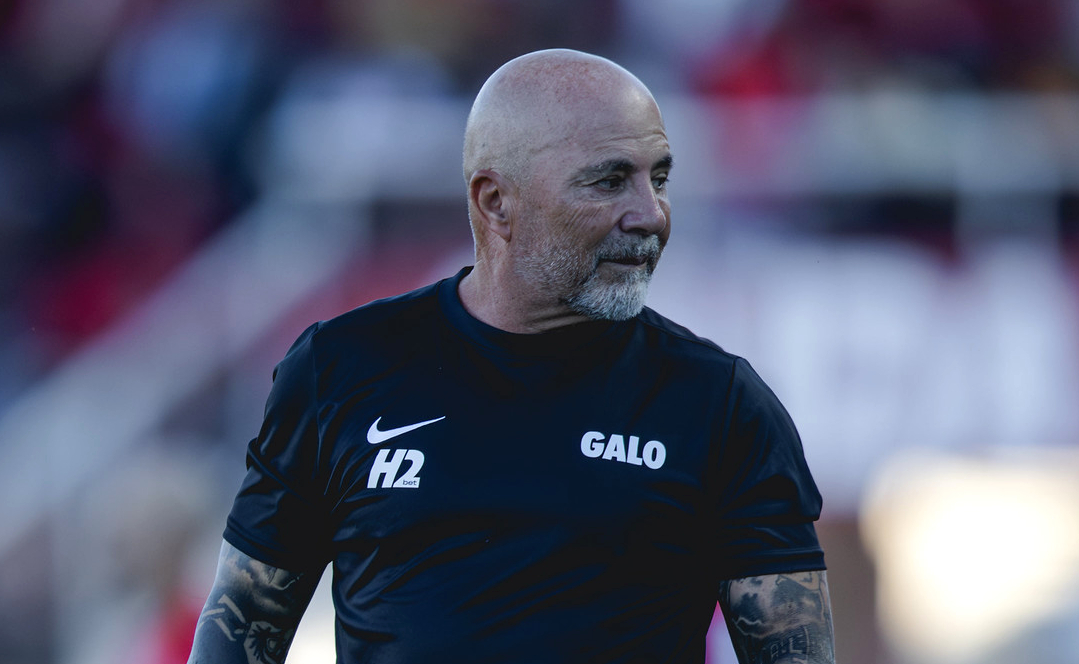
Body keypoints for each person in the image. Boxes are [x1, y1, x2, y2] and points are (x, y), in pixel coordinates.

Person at [187, 48, 835, 664]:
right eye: (608, 181)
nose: (650, 214)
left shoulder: (719, 405)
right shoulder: (340, 368)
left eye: (657, 178)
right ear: (495, 201)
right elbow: (243, 622)